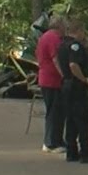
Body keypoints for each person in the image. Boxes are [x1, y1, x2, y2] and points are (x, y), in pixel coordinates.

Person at [57, 20, 88, 164]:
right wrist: (84, 79)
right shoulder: (75, 46)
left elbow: (61, 64)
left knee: (71, 119)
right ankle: (85, 152)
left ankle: (71, 151)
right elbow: (73, 64)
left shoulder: (62, 45)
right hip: (76, 86)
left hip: (66, 84)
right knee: (83, 119)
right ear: (78, 31)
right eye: (83, 32)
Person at [34, 15, 66, 153]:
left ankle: (55, 139)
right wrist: (64, 75)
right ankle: (51, 142)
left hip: (46, 79)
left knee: (55, 111)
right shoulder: (53, 38)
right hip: (52, 80)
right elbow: (55, 59)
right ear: (59, 26)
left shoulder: (44, 37)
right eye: (64, 26)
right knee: (55, 112)